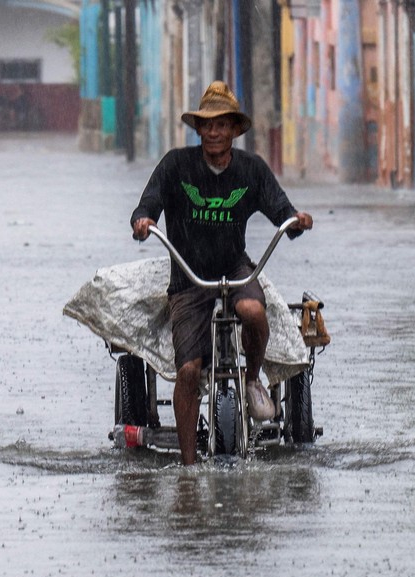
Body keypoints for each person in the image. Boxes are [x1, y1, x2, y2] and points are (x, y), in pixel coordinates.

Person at [130, 81, 314, 466]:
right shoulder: (176, 165)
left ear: (234, 130)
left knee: (253, 312)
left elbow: (282, 210)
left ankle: (251, 381)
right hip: (189, 276)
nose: (214, 132)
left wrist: (296, 222)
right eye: (207, 125)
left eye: (222, 125)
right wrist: (143, 220)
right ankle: (188, 466)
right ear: (198, 130)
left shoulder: (251, 169)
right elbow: (147, 204)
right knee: (188, 371)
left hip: (234, 266)